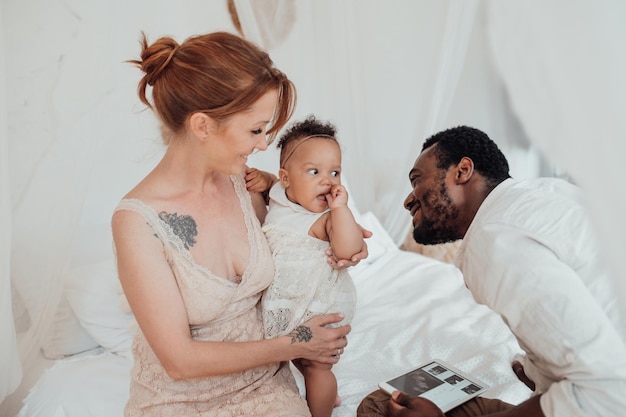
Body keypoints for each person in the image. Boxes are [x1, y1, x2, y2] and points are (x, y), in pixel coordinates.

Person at [111, 31, 369, 417]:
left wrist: (342, 240)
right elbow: (180, 361)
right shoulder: (137, 222)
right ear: (202, 126)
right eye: (255, 130)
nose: (264, 144)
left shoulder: (243, 181)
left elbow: (295, 230)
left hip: (266, 387)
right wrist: (298, 342)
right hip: (179, 401)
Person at [357, 125, 626, 417]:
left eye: (416, 180)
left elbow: (606, 389)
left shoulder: (493, 239)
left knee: (380, 408)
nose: (407, 200)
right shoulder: (550, 192)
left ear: (462, 171)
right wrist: (538, 371)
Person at [248, 115, 364, 417]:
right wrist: (260, 182)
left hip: (320, 307)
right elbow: (266, 211)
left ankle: (321, 410)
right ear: (286, 178)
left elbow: (349, 248)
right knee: (291, 355)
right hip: (287, 305)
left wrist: (341, 211)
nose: (328, 181)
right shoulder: (279, 197)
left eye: (335, 172)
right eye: (314, 171)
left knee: (315, 366)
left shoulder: (327, 217)